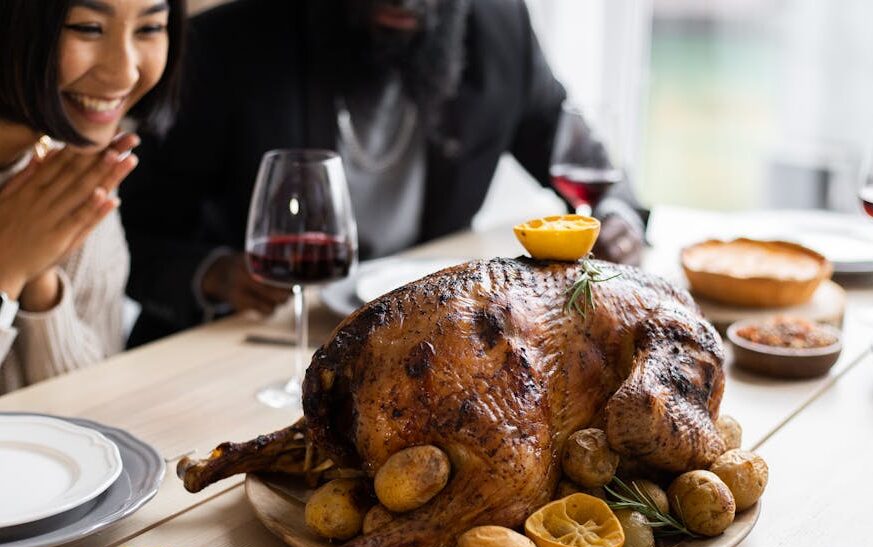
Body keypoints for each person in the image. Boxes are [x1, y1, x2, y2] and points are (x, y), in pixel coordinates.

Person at [122, 0, 647, 345]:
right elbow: (131, 231)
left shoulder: (499, 27)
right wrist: (213, 273)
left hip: (427, 337)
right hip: (261, 338)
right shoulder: (229, 45)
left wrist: (615, 214)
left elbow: (577, 147)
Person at [0, 0, 185, 393]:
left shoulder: (71, 166)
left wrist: (40, 280)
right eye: (87, 28)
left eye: (149, 28)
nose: (125, 72)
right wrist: (7, 268)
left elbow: (96, 402)